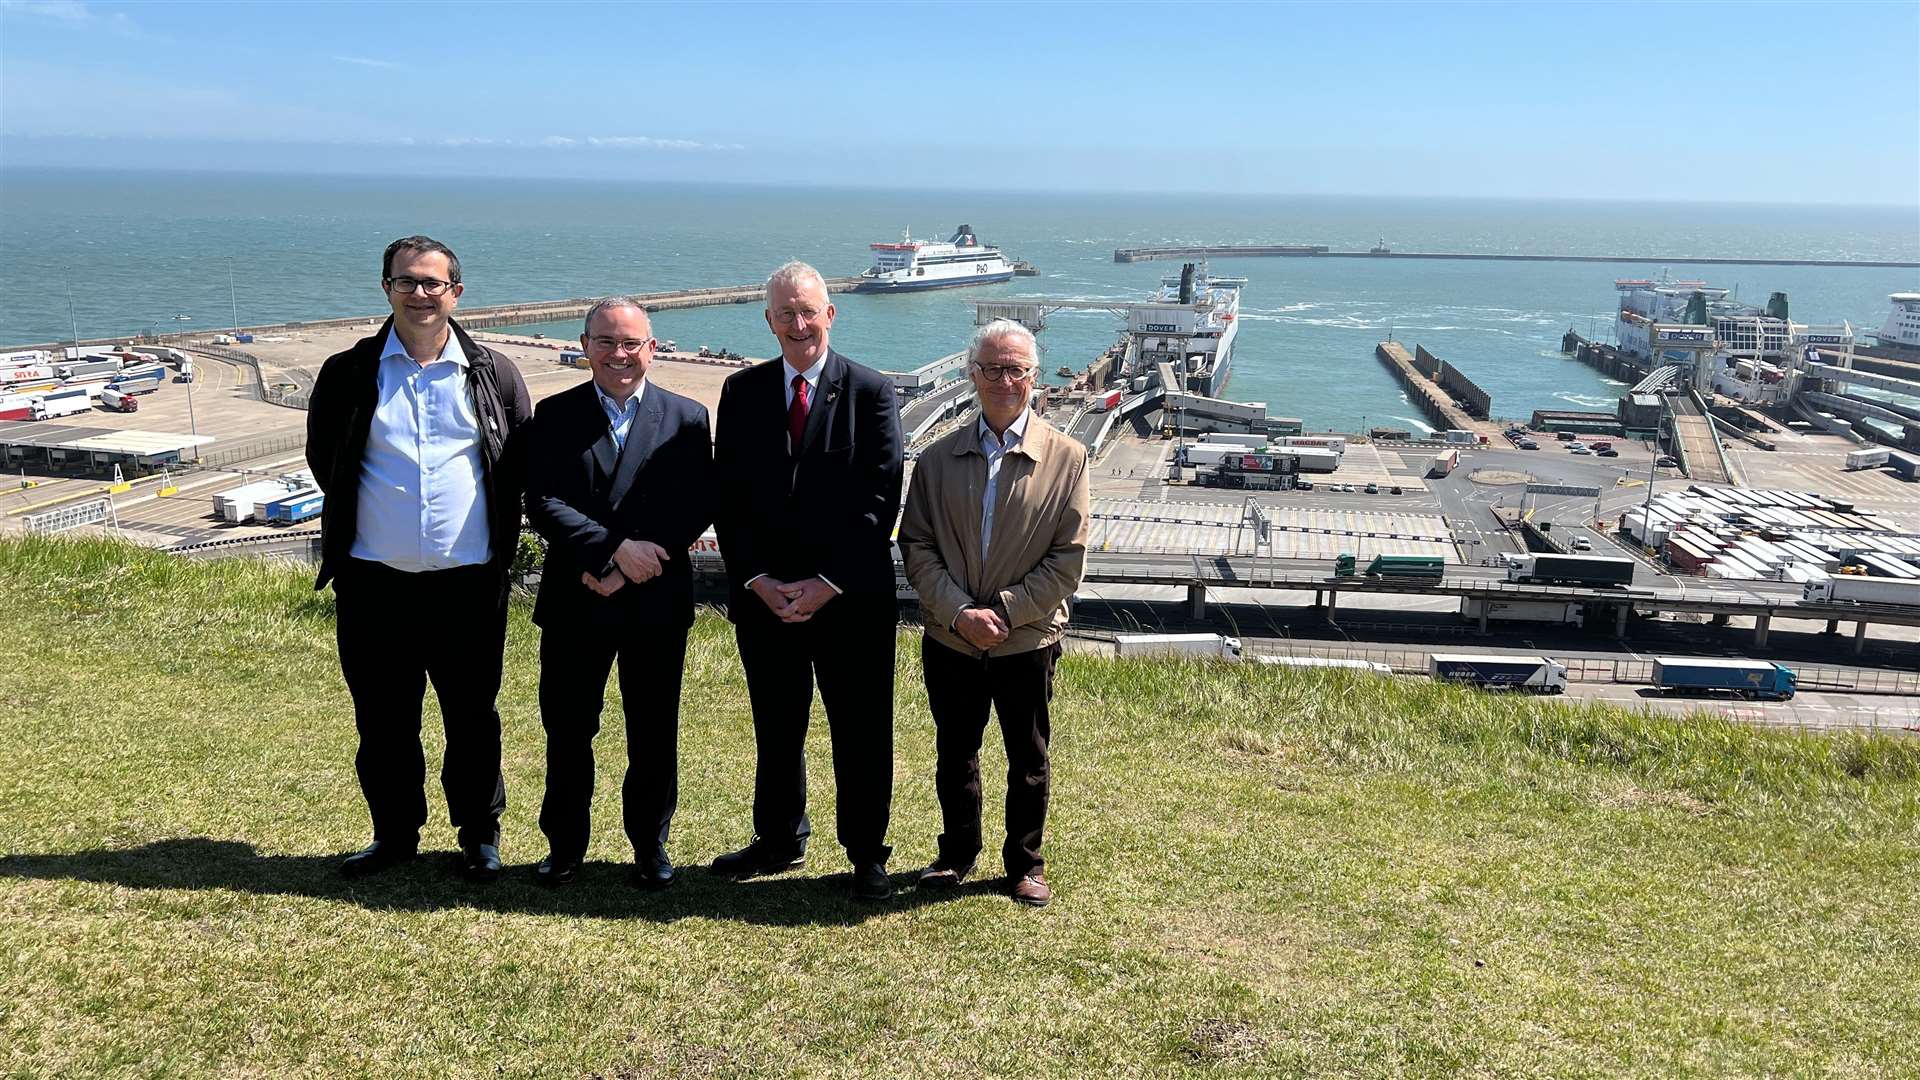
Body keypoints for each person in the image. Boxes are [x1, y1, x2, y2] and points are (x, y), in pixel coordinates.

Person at [306, 235, 531, 882]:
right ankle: (394, 835)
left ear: (457, 292)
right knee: (383, 720)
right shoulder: (350, 372)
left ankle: (479, 835)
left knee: (472, 718)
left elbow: (513, 463)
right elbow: (329, 460)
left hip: (470, 584)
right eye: (406, 281)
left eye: (433, 283)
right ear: (386, 290)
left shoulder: (492, 373)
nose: (420, 293)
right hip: (375, 582)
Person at [711, 261, 904, 900]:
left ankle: (867, 852)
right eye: (786, 313)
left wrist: (828, 581)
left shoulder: (872, 392)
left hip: (851, 599)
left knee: (862, 728)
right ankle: (777, 837)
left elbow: (881, 499)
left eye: (809, 311)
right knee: (776, 723)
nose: (800, 324)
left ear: (831, 314)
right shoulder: (741, 394)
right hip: (767, 598)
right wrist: (757, 579)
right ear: (770, 322)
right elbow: (730, 498)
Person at [522, 298, 713, 889]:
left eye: (631, 343)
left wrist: (633, 562)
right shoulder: (554, 415)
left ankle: (650, 845)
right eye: (606, 342)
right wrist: (609, 552)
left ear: (652, 348)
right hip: (577, 595)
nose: (620, 354)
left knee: (653, 729)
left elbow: (697, 502)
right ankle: (564, 845)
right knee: (568, 726)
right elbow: (542, 501)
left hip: (654, 597)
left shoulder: (687, 416)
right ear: (585, 346)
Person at [897, 319, 1089, 907]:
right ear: (971, 375)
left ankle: (1024, 863)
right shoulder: (936, 460)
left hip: (1025, 639)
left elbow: (1068, 558)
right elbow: (917, 546)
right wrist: (959, 613)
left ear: (1034, 377)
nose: (1004, 380)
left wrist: (1001, 613)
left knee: (1027, 756)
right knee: (956, 750)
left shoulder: (1068, 458)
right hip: (952, 638)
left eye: (1016, 370)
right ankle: (956, 853)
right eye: (991, 369)